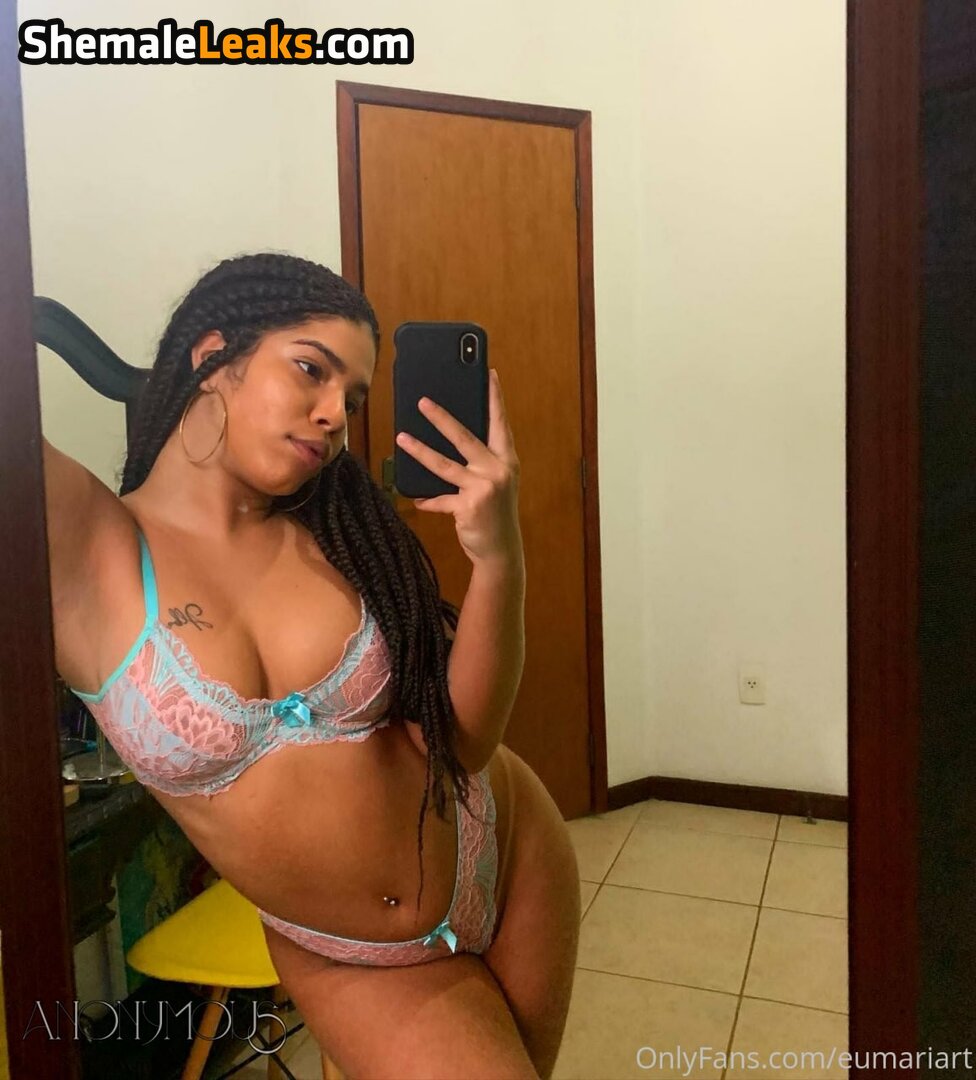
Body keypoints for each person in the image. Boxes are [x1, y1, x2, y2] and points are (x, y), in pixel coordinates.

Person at [43, 252, 581, 1079]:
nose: (335, 414)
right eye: (310, 370)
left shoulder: (334, 529)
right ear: (213, 356)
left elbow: (466, 744)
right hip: (356, 956)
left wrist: (499, 556)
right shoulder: (92, 548)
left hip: (514, 844)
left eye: (352, 398)